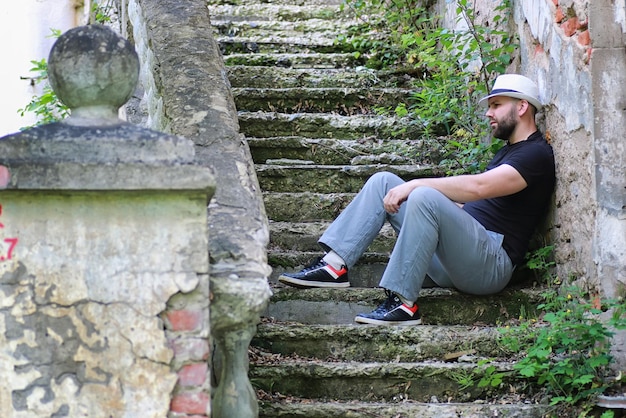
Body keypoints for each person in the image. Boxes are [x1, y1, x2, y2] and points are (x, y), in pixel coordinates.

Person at [278, 74, 556, 326]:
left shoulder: (535, 155)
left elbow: (479, 187)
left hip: (489, 265)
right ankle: (333, 266)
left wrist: (417, 184)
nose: (488, 113)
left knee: (423, 194)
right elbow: (469, 206)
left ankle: (403, 304)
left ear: (521, 107)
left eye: (496, 105)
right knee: (383, 182)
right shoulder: (508, 152)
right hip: (458, 259)